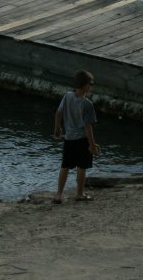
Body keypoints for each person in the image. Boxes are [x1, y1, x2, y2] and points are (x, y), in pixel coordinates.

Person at [54, 69, 100, 203]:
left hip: (68, 138)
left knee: (65, 166)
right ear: (85, 85)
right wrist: (92, 144)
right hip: (82, 140)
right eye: (91, 84)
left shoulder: (67, 96)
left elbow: (58, 113)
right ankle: (79, 194)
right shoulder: (87, 104)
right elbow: (88, 127)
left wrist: (57, 129)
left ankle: (58, 195)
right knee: (81, 166)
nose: (91, 86)